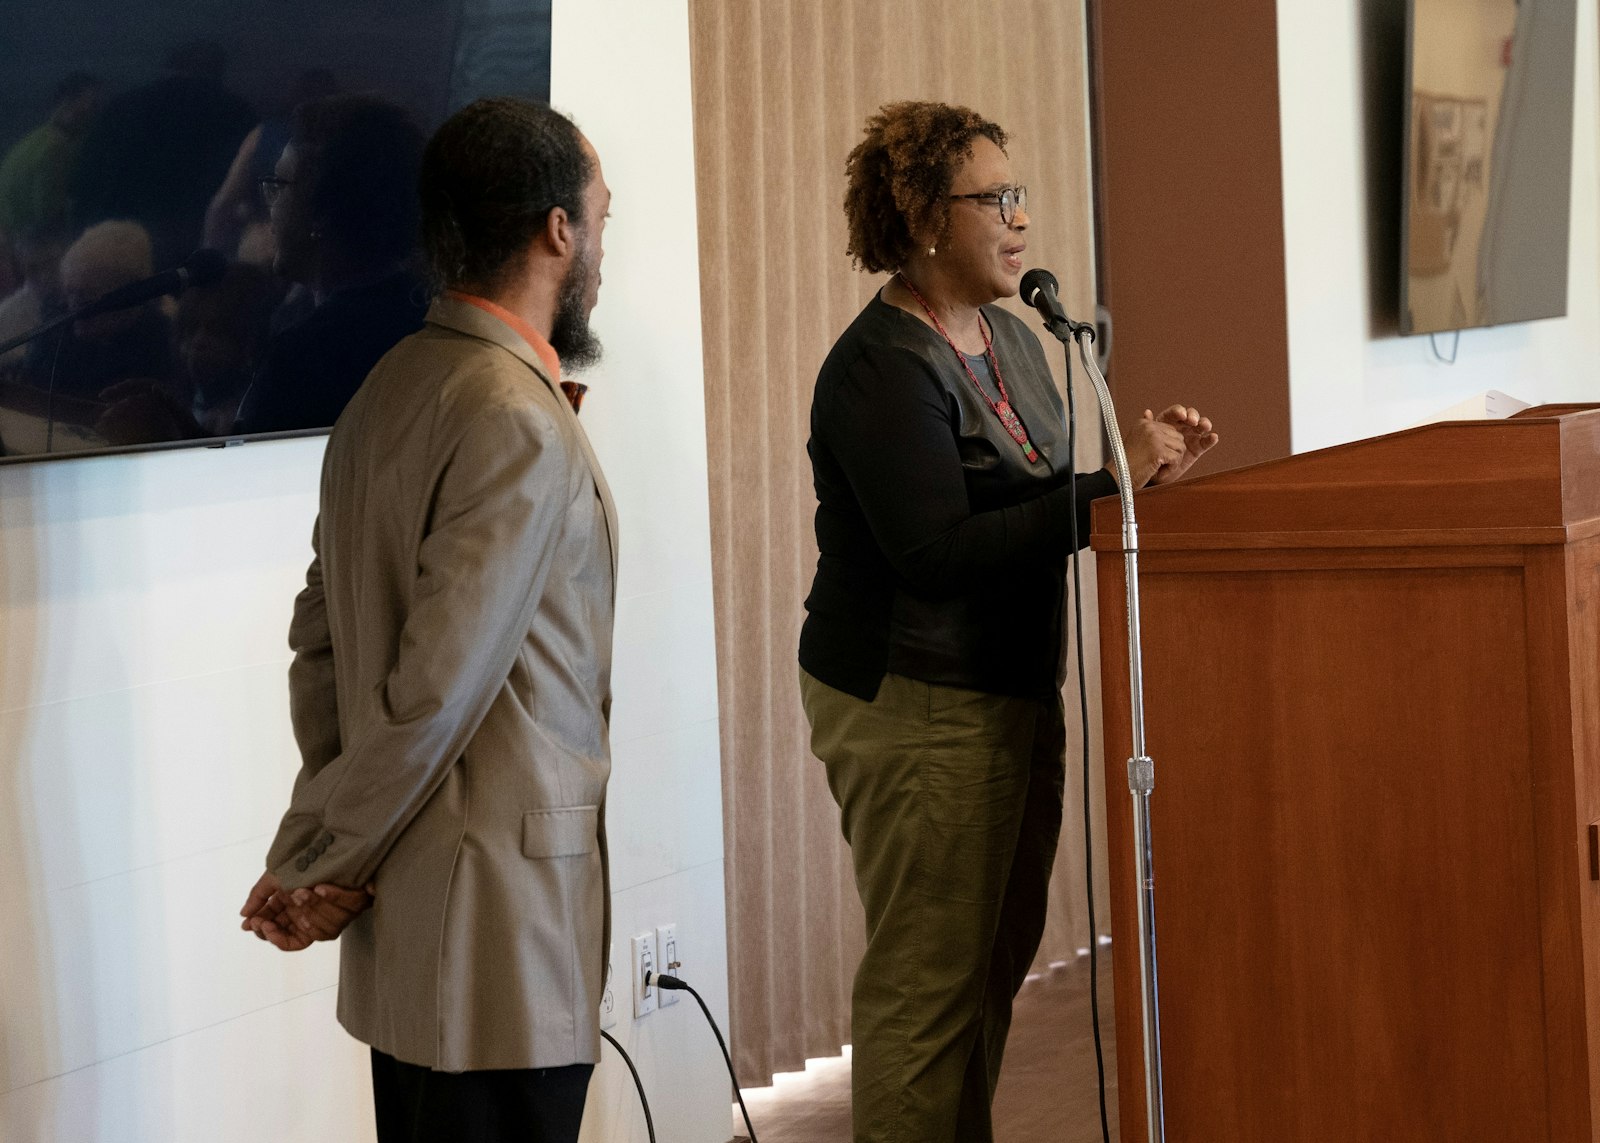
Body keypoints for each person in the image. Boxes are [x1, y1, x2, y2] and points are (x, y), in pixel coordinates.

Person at [798, 100, 1219, 1143]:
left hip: (1011, 690)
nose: (1020, 221)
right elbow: (933, 553)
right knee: (926, 987)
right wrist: (1104, 486)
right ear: (925, 215)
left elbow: (1039, 507)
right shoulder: (880, 368)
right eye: (997, 199)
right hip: (915, 703)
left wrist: (1132, 473)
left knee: (988, 968)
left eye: (1018, 196)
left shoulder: (1017, 343)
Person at [238, 96, 613, 1143]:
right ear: (556, 232)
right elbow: (437, 690)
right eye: (601, 221)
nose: (600, 251)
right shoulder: (513, 418)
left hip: (410, 930)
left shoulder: (386, 387)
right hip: (499, 944)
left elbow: (322, 655)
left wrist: (324, 839)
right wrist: (324, 861)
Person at [231, 94, 429, 435]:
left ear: (321, 212)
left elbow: (254, 478)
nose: (270, 207)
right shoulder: (430, 317)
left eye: (279, 186)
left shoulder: (306, 357)